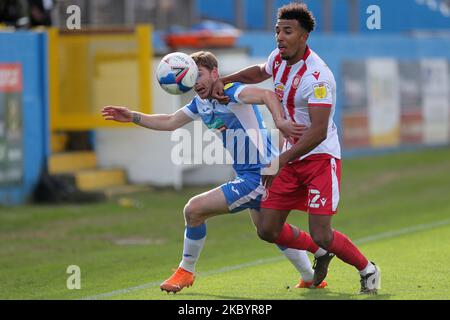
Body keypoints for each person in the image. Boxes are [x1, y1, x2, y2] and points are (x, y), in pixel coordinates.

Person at [102, 51, 327, 293]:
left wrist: (280, 121)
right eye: (191, 76)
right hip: (256, 173)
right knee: (270, 232)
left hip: (261, 173)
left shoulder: (230, 92)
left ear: (215, 74)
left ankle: (186, 270)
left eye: (199, 74)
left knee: (194, 210)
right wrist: (133, 116)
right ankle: (312, 269)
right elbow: (169, 121)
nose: (194, 81)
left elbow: (266, 94)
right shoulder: (200, 103)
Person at [212, 3, 381, 294]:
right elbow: (258, 72)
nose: (280, 36)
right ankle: (320, 253)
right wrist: (225, 79)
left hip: (319, 158)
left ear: (304, 36)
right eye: (277, 30)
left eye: (287, 31)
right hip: (290, 158)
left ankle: (368, 269)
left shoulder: (318, 78)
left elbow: (316, 132)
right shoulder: (278, 59)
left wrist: (279, 160)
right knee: (267, 229)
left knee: (322, 233)